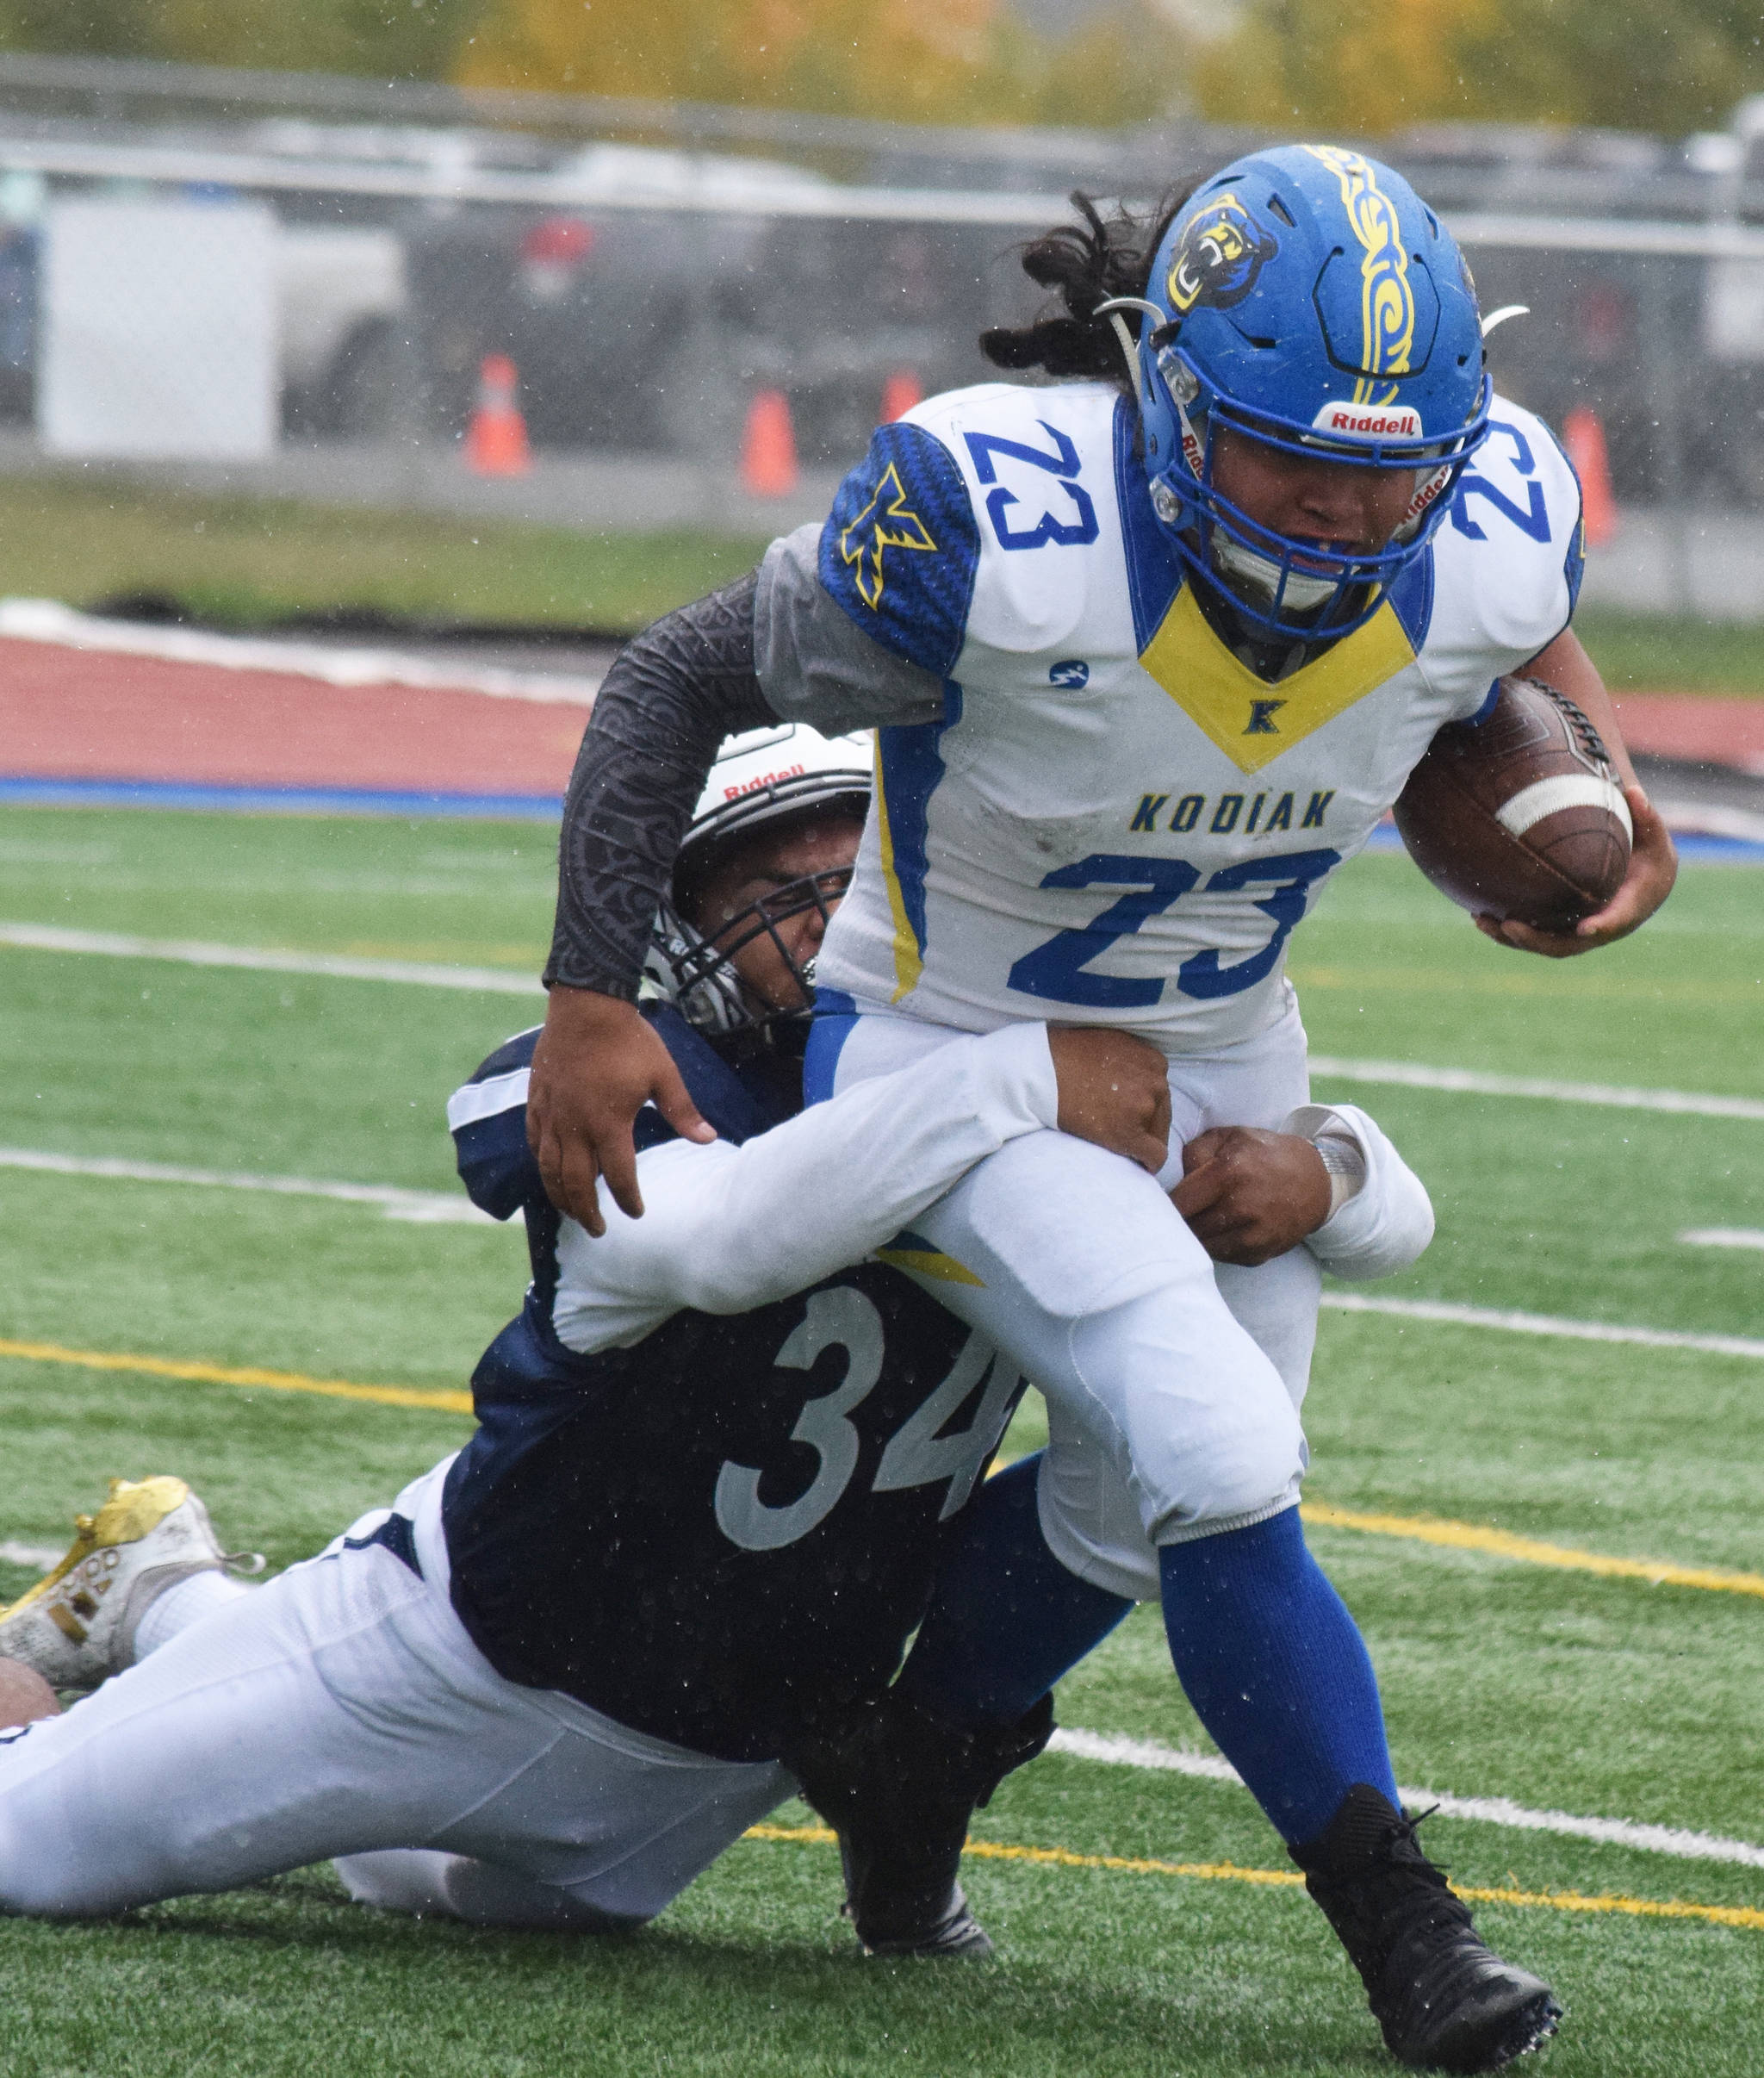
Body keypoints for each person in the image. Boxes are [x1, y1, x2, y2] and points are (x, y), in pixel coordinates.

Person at [519, 146, 1679, 2070]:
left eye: (1395, 466)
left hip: (1226, 1039)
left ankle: (912, 1770)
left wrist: (1601, 798)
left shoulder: (1484, 510)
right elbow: (676, 676)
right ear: (1158, 396)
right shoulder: (993, 514)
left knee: (1132, 1508)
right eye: (1289, 453)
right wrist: (581, 991)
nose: (1347, 506)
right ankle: (1408, 1935)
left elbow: (1520, 629)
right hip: (949, 1040)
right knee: (1215, 1445)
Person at [0, 728, 1424, 1959]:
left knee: (391, 1874)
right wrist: (1013, 1081)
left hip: (697, 1785)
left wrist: (1332, 1170)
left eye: (851, 878)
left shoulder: (1038, 1103)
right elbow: (717, 1239)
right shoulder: (665, 1085)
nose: (820, 919)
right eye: (770, 885)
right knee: (24, 1849)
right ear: (682, 923)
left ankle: (168, 1594)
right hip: (442, 1660)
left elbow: (1368, 1215)